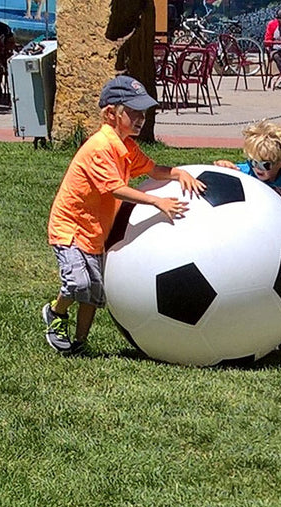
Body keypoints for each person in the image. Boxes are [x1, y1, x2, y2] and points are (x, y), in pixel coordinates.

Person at [42, 75, 205, 355]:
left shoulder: (127, 146)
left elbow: (153, 170)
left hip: (94, 231)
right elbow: (116, 189)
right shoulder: (101, 146)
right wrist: (156, 201)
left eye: (143, 112)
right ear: (111, 113)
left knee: (94, 292)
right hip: (70, 228)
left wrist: (178, 172)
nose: (141, 118)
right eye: (133, 112)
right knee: (78, 283)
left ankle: (79, 344)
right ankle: (55, 313)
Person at [213, 120, 281, 350]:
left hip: (274, 247)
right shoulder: (243, 172)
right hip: (243, 244)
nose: (258, 168)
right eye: (253, 161)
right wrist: (222, 167)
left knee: (277, 290)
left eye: (266, 164)